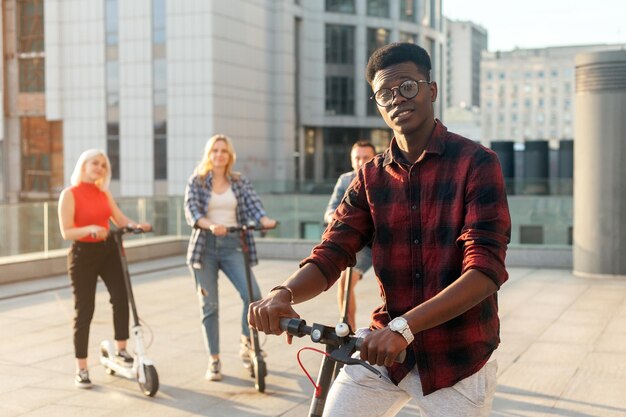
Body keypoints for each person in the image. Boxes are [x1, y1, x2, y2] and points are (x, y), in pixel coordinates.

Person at [249, 42, 511, 416]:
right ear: (378, 105)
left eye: (407, 87)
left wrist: (405, 327)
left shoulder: (477, 163)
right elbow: (333, 251)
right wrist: (283, 293)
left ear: (431, 90)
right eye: (385, 94)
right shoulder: (370, 176)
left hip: (458, 360)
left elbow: (485, 271)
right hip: (385, 353)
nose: (397, 100)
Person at [184, 134, 277, 382]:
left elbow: (254, 206)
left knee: (253, 296)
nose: (219, 155)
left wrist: (263, 220)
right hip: (205, 246)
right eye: (215, 150)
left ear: (229, 155)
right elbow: (192, 212)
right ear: (209, 154)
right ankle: (214, 360)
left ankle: (247, 344)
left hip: (234, 244)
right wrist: (211, 225)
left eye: (223, 150)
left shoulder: (239, 181)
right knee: (209, 306)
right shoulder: (198, 181)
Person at [58, 149, 152, 389]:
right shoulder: (69, 194)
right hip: (83, 254)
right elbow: (66, 231)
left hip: (108, 250)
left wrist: (136, 226)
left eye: (103, 165)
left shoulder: (103, 193)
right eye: (94, 163)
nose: (99, 168)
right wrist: (89, 229)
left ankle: (121, 349)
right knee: (84, 310)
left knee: (121, 298)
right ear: (83, 166)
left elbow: (119, 220)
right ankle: (82, 368)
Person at [324, 140, 376, 330]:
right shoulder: (346, 180)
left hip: (383, 242)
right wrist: (335, 219)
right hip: (359, 244)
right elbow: (330, 210)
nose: (361, 162)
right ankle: (348, 330)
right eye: (357, 158)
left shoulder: (384, 176)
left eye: (366, 158)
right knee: (345, 282)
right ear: (352, 160)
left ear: (374, 158)